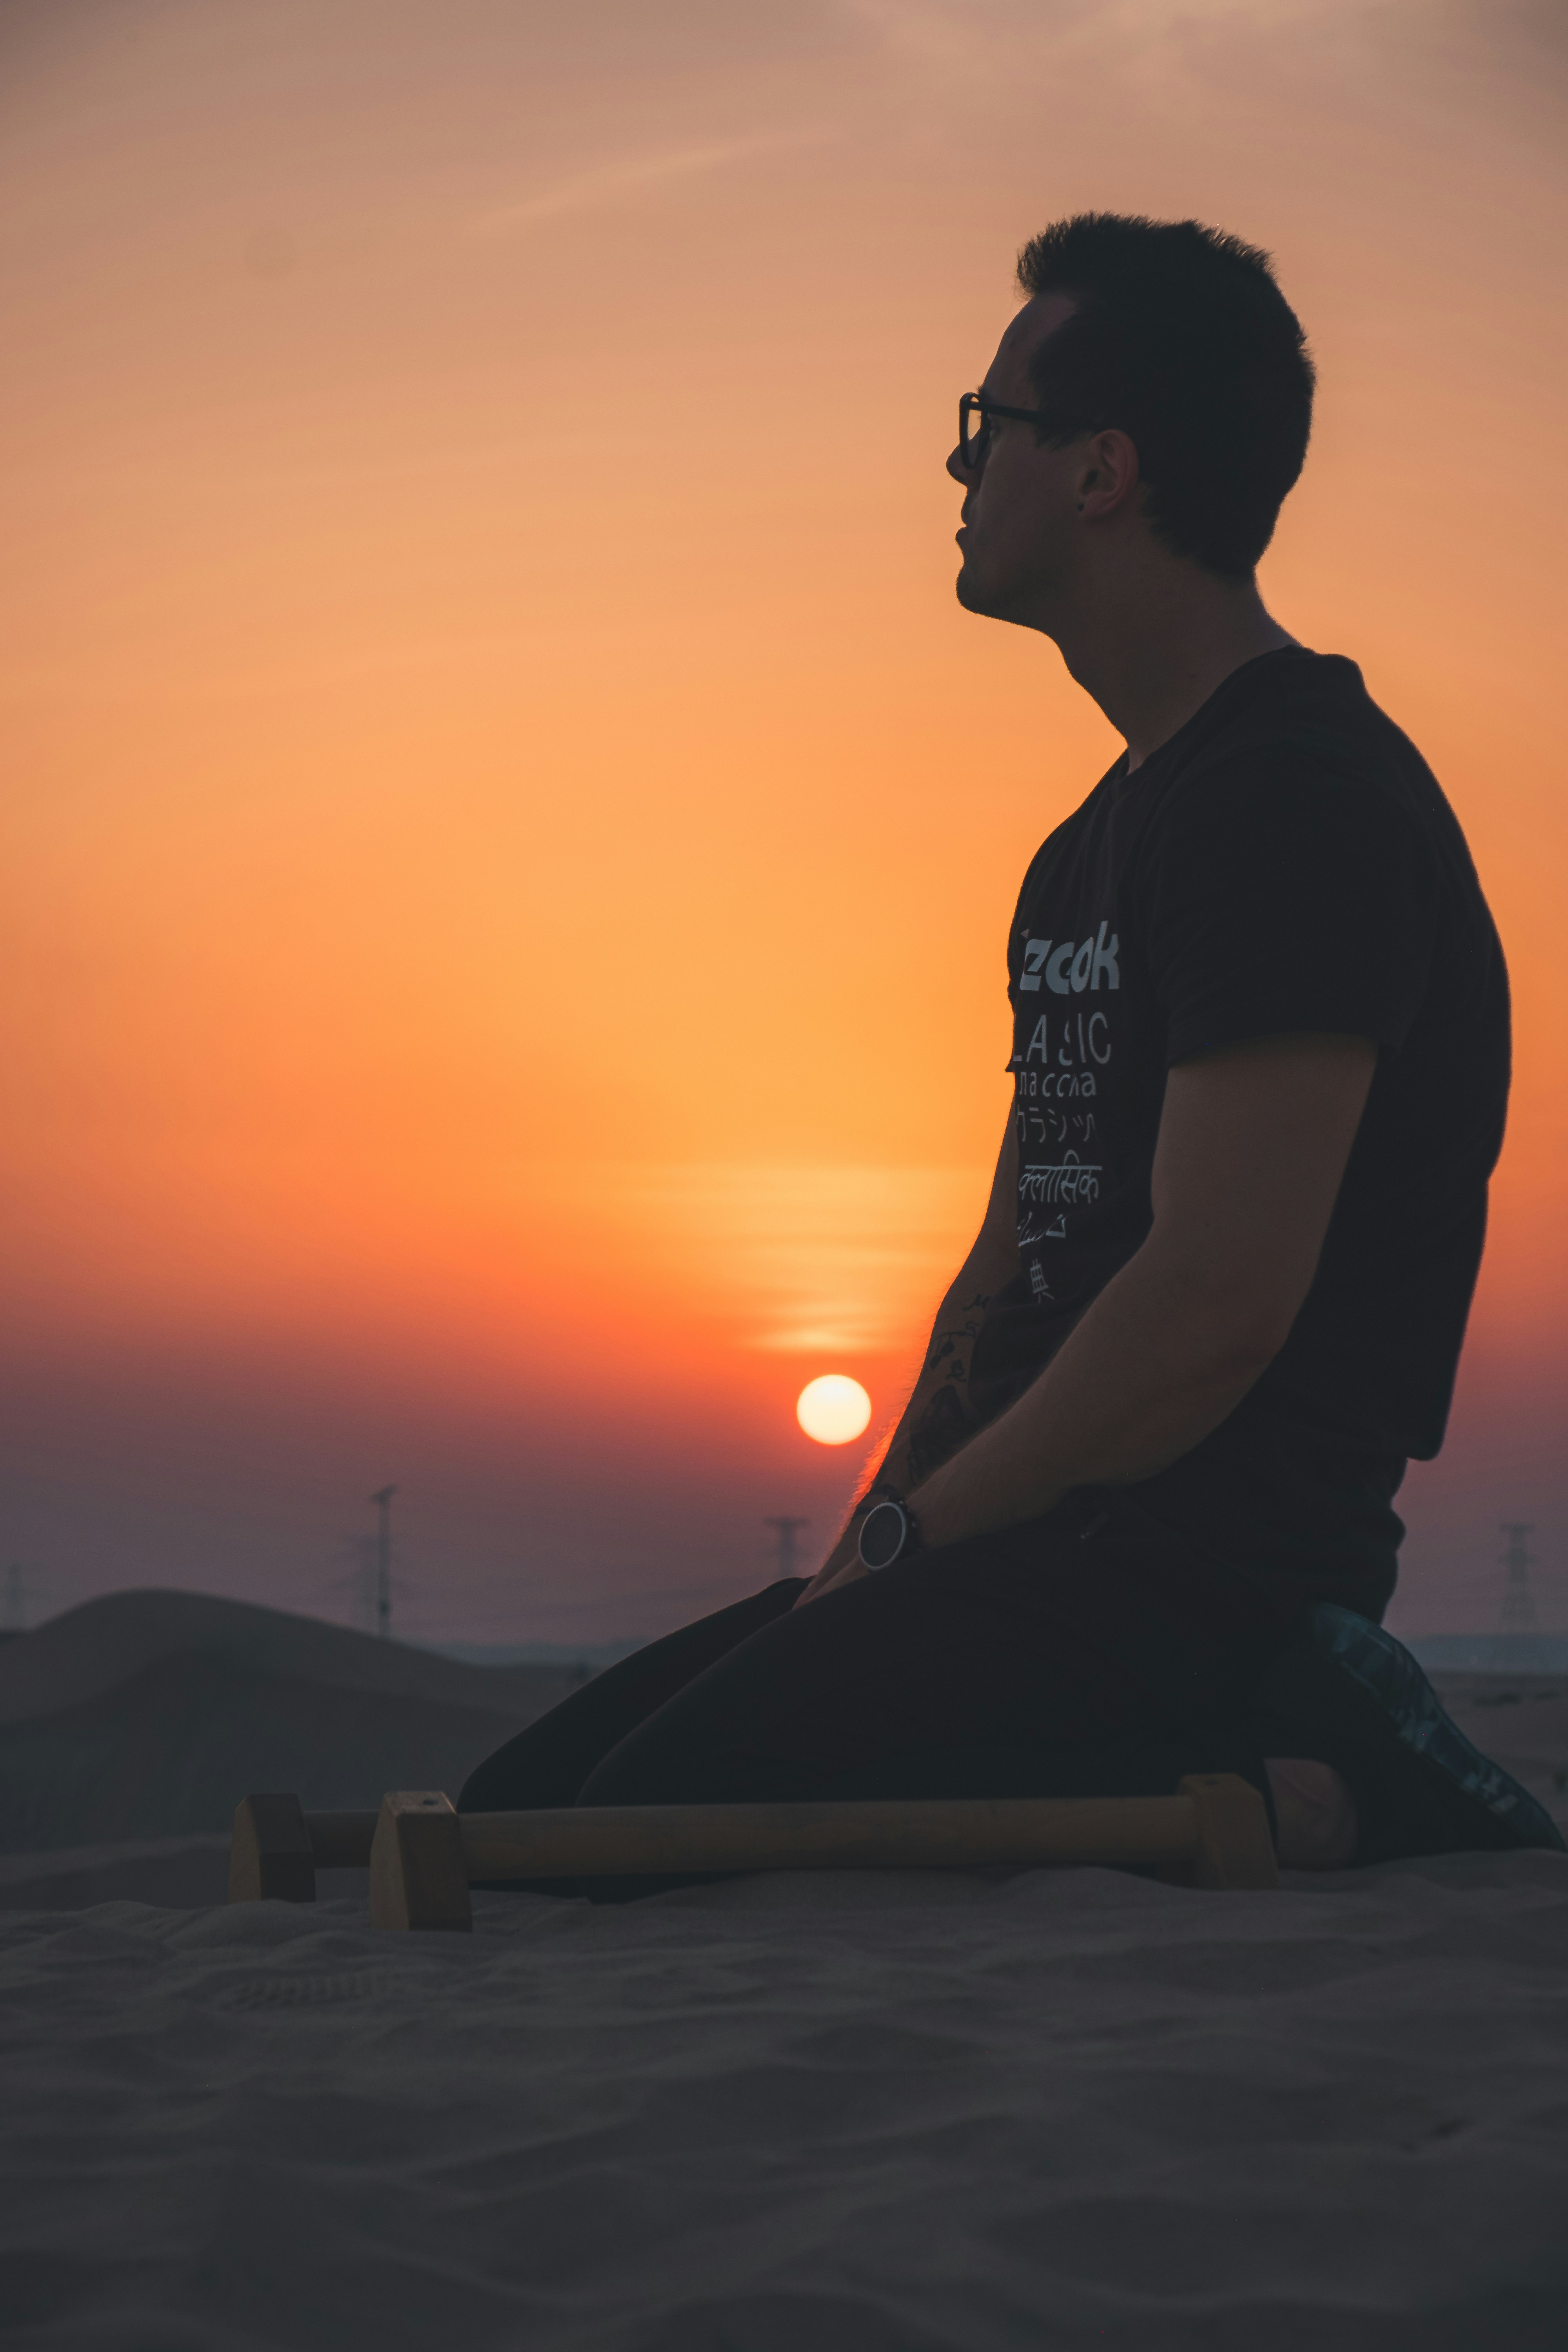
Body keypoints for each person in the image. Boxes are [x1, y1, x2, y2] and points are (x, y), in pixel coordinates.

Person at [464, 212, 1561, 1881]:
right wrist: (867, 1548)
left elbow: (1213, 1307)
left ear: (1103, 471)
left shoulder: (1295, 803)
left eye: (991, 425)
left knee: (624, 1846)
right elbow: (1009, 1267)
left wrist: (922, 1540)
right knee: (519, 1818)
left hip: (1195, 1570)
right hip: (1016, 1543)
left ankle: (1334, 1772)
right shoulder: (1092, 844)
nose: (959, 468)